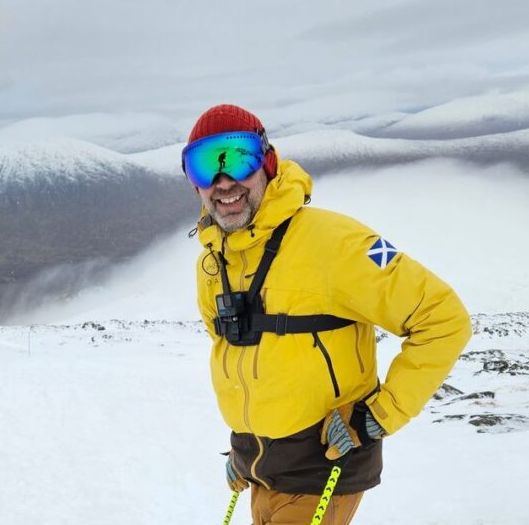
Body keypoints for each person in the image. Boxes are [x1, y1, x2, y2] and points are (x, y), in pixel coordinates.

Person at [182, 104, 472, 525]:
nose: (223, 182)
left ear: (267, 161)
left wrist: (375, 417)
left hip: (324, 468)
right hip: (261, 470)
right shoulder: (213, 264)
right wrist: (245, 446)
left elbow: (443, 318)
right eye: (205, 166)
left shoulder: (335, 242)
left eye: (237, 159)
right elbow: (247, 364)